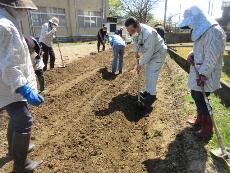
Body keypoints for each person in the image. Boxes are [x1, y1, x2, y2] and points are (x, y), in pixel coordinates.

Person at [0, 0, 44, 172]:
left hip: (8, 84)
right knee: (24, 120)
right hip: (7, 85)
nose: (26, 12)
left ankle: (13, 150)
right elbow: (9, 66)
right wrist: (24, 88)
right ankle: (21, 165)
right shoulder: (6, 26)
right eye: (24, 8)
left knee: (17, 117)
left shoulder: (8, 21)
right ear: (13, 6)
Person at [177, 6, 226, 139]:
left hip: (207, 72)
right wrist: (191, 54)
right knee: (195, 94)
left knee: (202, 98)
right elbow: (199, 48)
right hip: (199, 68)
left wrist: (204, 74)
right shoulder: (203, 30)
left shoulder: (214, 31)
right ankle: (199, 118)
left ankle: (207, 128)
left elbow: (212, 56)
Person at [125, 17, 167, 105]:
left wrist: (139, 64)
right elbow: (136, 41)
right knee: (148, 72)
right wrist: (136, 52)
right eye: (129, 31)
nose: (130, 33)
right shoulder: (136, 31)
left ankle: (152, 95)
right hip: (151, 53)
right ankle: (147, 91)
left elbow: (149, 53)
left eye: (131, 31)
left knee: (152, 73)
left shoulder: (149, 33)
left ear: (137, 26)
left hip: (158, 53)